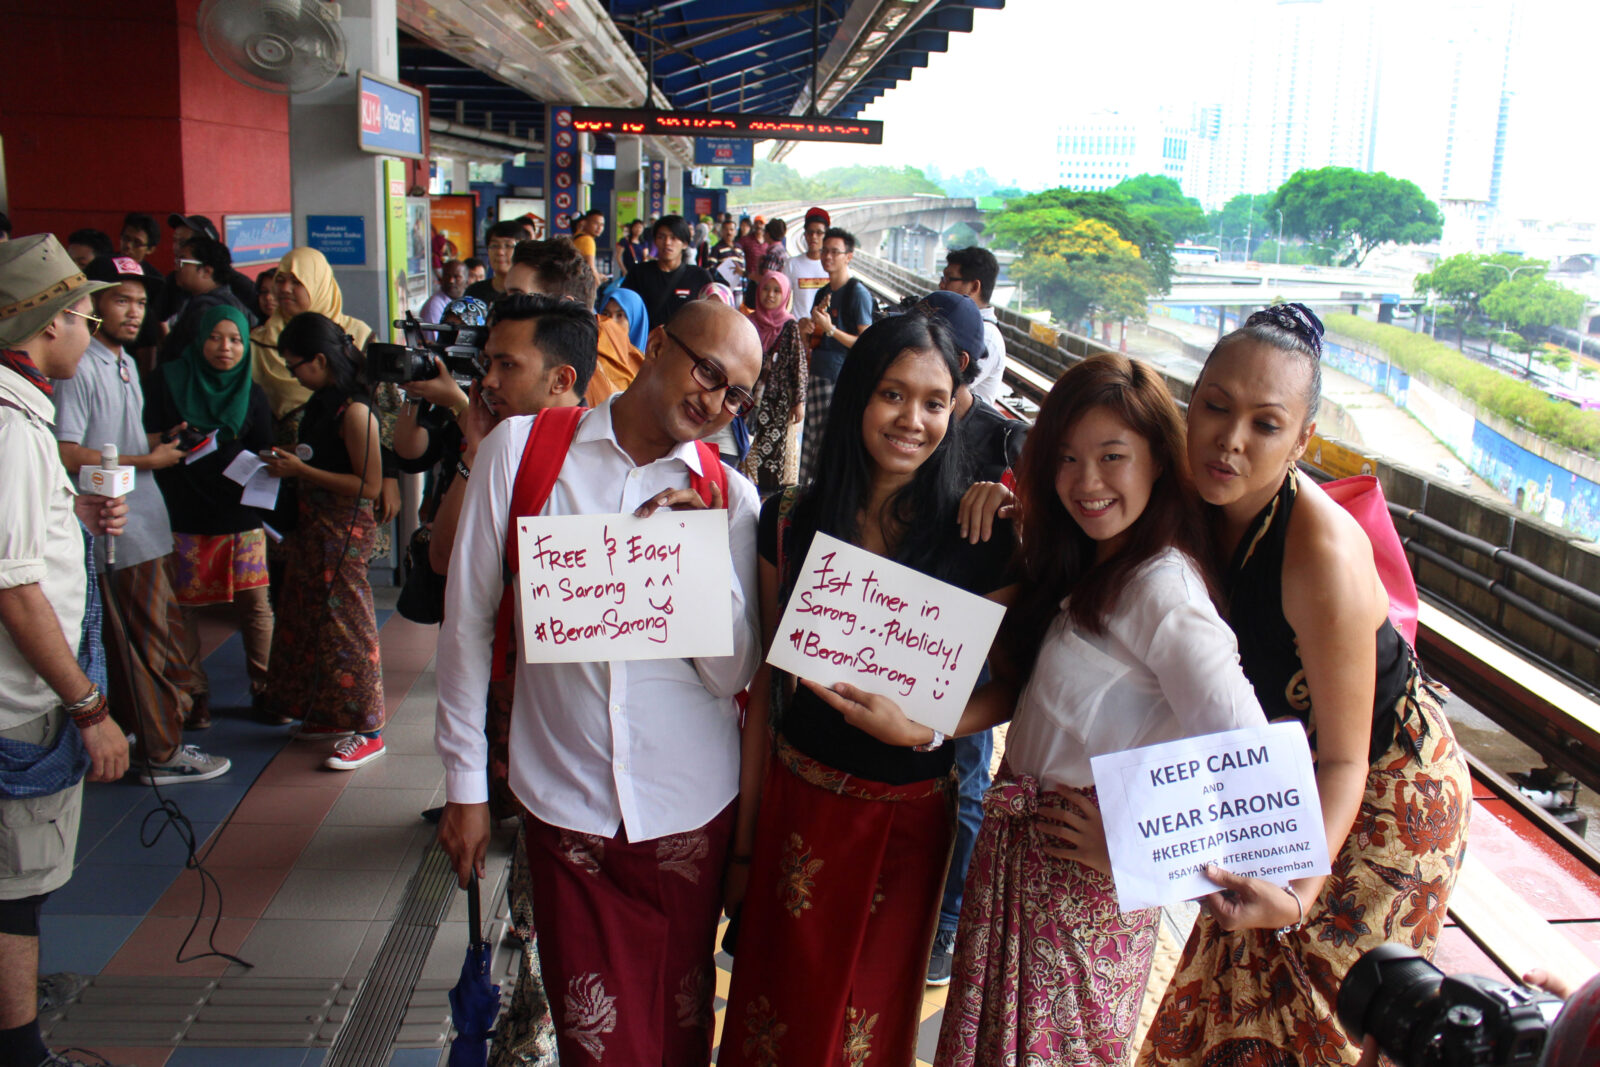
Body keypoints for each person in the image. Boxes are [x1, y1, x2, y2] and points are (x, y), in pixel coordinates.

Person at [884, 353, 1265, 1064]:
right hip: (1017, 877)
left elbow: (1251, 762)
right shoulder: (1089, 561)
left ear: (1159, 460)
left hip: (1081, 902)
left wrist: (1138, 849)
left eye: (1112, 456)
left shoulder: (1165, 591)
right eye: (1065, 458)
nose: (1086, 483)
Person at [1138, 305, 1472, 1067]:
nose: (1230, 440)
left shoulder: (1321, 552)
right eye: (1216, 406)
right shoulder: (1185, 497)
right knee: (1220, 1002)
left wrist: (1295, 890)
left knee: (1320, 1026)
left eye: (1265, 423)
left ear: (1302, 440)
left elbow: (1346, 760)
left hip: (1387, 796)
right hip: (1278, 773)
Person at [436, 299, 763, 1067]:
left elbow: (731, 674)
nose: (715, 400)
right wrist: (464, 786)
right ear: (654, 348)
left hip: (689, 810)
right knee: (593, 1041)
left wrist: (699, 554)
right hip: (567, 804)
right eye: (708, 370)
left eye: (736, 394)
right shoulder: (522, 452)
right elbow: (467, 626)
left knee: (679, 1031)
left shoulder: (731, 497)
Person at [722, 313, 1017, 1067]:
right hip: (798, 811)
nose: (912, 420)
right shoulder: (788, 524)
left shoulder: (980, 535)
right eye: (892, 393)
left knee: (866, 1026)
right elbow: (764, 691)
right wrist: (746, 848)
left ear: (957, 407)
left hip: (910, 827)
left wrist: (925, 727)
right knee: (773, 1019)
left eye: (933, 400)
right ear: (858, 395)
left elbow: (1018, 685)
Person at [0, 234, 131, 1067]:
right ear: (51, 327)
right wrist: (88, 705)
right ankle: (21, 1051)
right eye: (85, 317)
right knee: (16, 891)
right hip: (22, 709)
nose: (91, 333)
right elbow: (15, 589)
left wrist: (71, 519)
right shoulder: (13, 428)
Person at [53, 255, 231, 784]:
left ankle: (146, 737)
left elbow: (113, 441)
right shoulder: (78, 367)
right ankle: (161, 752)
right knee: (144, 645)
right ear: (91, 306)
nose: (133, 312)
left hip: (148, 520)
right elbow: (67, 452)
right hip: (118, 529)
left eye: (140, 302)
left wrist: (157, 445)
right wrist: (146, 462)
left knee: (152, 637)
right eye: (120, 300)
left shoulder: (125, 361)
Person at [259, 312, 387, 770]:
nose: (293, 375)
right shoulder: (321, 401)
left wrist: (301, 471)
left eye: (296, 367)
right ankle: (329, 711)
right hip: (313, 527)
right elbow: (319, 452)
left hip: (342, 529)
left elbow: (368, 486)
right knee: (309, 617)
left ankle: (369, 727)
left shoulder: (355, 410)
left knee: (347, 624)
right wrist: (289, 458)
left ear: (319, 359)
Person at [142, 306, 275, 726]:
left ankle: (267, 689)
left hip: (240, 515)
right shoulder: (167, 381)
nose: (226, 348)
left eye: (235, 339)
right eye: (216, 337)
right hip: (183, 510)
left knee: (256, 606)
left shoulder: (251, 392)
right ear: (199, 340)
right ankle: (193, 691)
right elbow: (144, 436)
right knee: (183, 608)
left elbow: (267, 454)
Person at [503, 238, 643, 404]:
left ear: (565, 307)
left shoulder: (588, 385)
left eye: (517, 298)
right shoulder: (608, 341)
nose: (503, 308)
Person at [797, 227, 874, 486]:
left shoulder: (857, 293)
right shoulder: (823, 293)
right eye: (824, 251)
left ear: (848, 256)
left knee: (829, 444)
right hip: (818, 374)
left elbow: (866, 342)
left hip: (840, 379)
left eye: (834, 252)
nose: (827, 256)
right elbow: (817, 338)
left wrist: (831, 329)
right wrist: (809, 331)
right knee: (812, 442)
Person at [738, 270, 807, 491]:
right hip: (747, 397)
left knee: (773, 451)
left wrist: (799, 401)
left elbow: (798, 364)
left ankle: (769, 497)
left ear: (785, 295)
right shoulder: (747, 322)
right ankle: (747, 492)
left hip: (778, 401)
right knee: (748, 444)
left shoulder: (790, 326)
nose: (770, 295)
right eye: (766, 288)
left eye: (777, 290)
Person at [159, 234, 254, 363]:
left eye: (182, 262)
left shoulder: (208, 310)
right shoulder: (228, 300)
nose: (176, 268)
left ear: (206, 271)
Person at [622, 215, 714, 331]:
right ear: (655, 240)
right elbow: (623, 308)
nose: (667, 243)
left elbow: (711, 316)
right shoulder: (639, 273)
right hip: (647, 346)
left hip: (684, 346)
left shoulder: (699, 276)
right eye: (661, 237)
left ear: (685, 244)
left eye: (674, 238)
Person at [940, 248, 1006, 405]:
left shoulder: (986, 336)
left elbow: (944, 386)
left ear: (974, 287)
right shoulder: (956, 322)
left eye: (949, 279)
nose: (941, 285)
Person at [785, 208, 831, 320]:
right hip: (799, 330)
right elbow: (782, 300)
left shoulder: (833, 266)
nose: (814, 237)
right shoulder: (791, 264)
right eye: (810, 232)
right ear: (805, 235)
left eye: (819, 233)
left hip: (825, 329)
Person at [465, 220, 524, 306]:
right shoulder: (474, 292)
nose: (500, 252)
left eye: (508, 245)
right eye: (494, 246)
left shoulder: (528, 294)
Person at [599, 284, 650, 356]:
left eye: (619, 315)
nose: (611, 321)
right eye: (606, 314)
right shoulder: (592, 358)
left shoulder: (650, 366)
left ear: (636, 323)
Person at [420, 259, 468, 323]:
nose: (451, 281)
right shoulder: (435, 306)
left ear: (467, 282)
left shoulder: (466, 302)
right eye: (447, 276)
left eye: (457, 277)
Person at [571, 210, 603, 279]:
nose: (599, 228)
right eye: (595, 223)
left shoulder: (575, 238)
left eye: (602, 225)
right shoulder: (587, 240)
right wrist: (597, 284)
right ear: (584, 223)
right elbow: (591, 268)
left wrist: (598, 276)